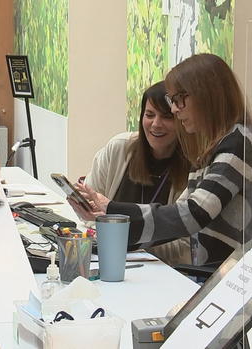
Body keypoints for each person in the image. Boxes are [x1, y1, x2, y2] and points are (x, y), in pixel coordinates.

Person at [72, 53, 252, 267]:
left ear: (205, 96)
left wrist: (112, 210)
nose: (175, 109)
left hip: (230, 275)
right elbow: (181, 219)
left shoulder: (237, 144)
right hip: (211, 269)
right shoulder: (216, 144)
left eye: (178, 100)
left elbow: (192, 214)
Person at [81, 81, 192, 264]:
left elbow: (185, 245)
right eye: (149, 115)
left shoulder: (193, 168)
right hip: (109, 261)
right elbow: (89, 220)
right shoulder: (119, 148)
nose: (156, 124)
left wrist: (124, 243)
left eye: (166, 117)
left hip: (162, 273)